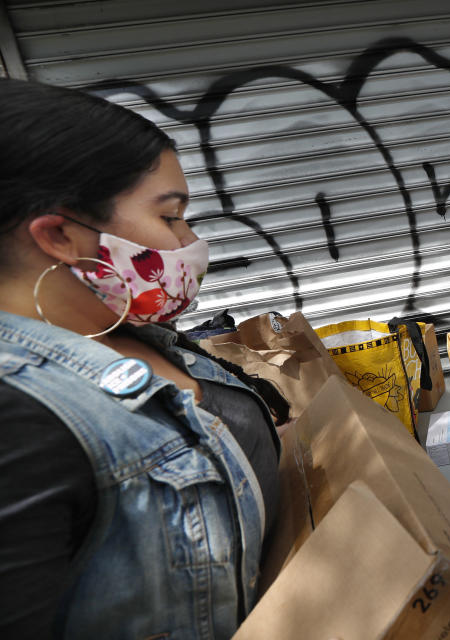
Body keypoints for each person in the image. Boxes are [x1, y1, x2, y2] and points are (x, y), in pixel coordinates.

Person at [0, 78, 289, 639]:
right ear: (60, 234)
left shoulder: (141, 333)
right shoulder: (17, 421)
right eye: (171, 216)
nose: (191, 240)